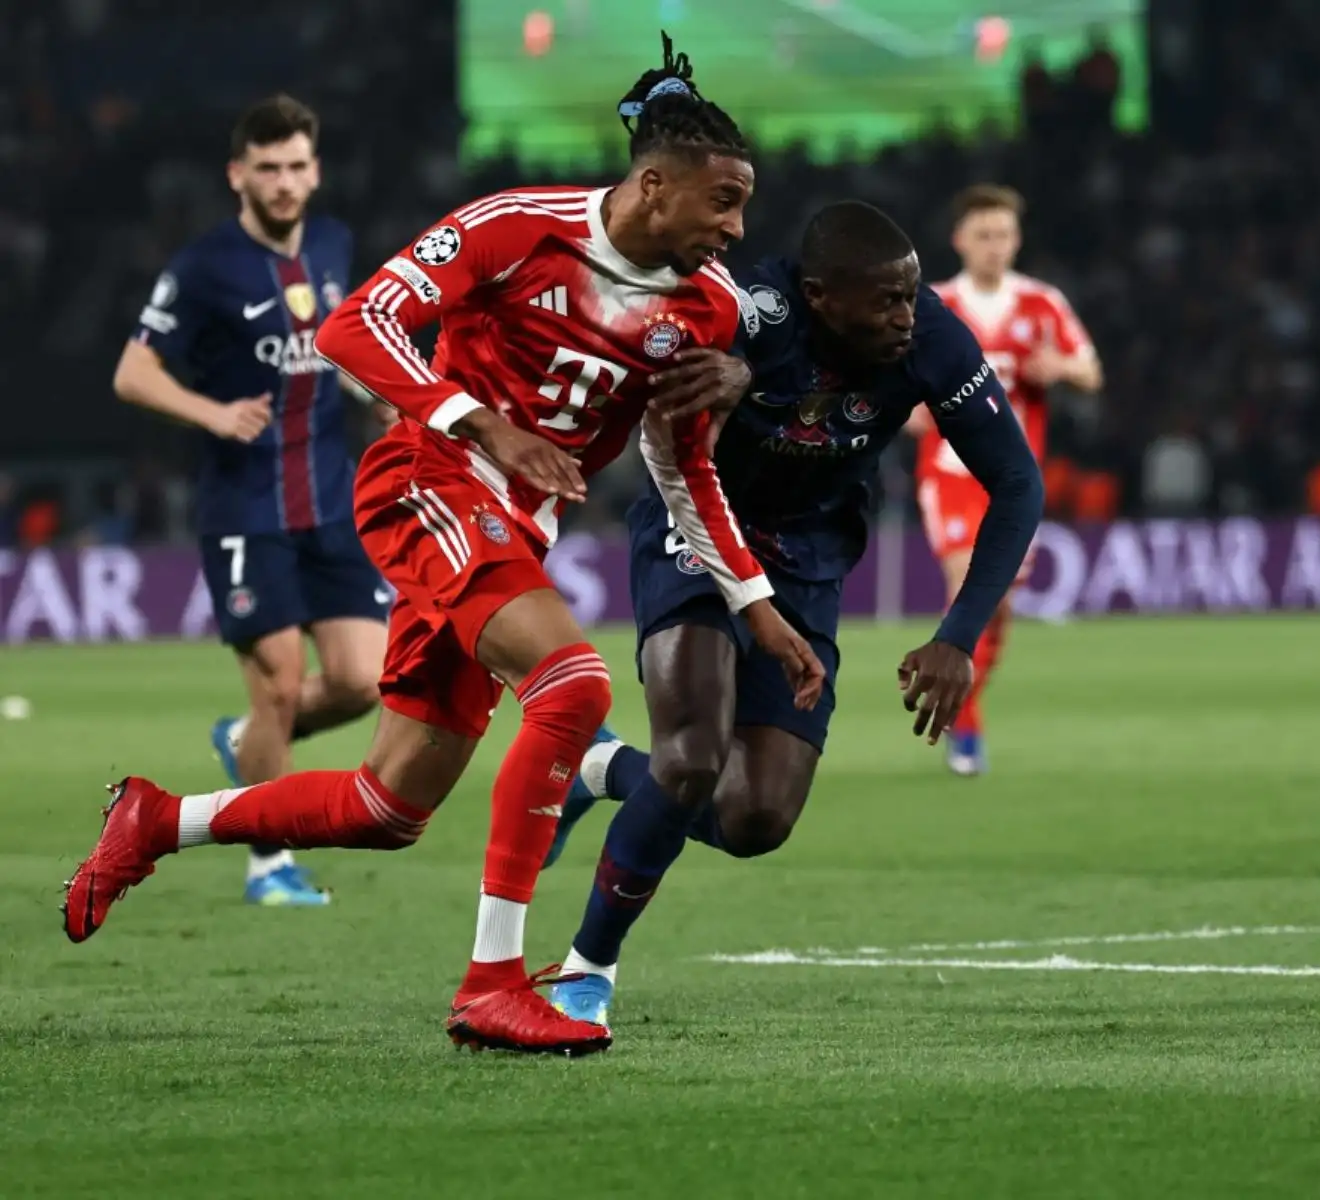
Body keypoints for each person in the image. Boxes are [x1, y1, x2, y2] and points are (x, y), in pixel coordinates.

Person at [62, 38, 824, 1058]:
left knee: (387, 806)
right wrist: (484, 424)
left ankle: (157, 821)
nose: (735, 230)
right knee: (572, 686)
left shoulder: (710, 309)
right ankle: (493, 985)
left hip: (511, 535)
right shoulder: (516, 228)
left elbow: (684, 468)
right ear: (654, 184)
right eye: (722, 203)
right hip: (427, 480)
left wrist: (756, 607)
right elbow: (354, 327)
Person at [539, 200, 1045, 1035]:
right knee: (693, 756)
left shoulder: (933, 338)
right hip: (700, 526)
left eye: (911, 296)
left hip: (808, 555)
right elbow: (661, 388)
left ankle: (600, 769)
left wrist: (959, 635)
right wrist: (739, 373)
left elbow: (1018, 484)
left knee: (755, 819)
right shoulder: (747, 308)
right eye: (884, 301)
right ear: (819, 296)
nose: (904, 317)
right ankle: (589, 967)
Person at [115, 95, 390, 906]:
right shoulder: (202, 266)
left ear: (316, 170)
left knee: (363, 681)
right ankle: (268, 859)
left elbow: (340, 345)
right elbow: (133, 373)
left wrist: (374, 392)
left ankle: (246, 746)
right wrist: (213, 413)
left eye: (297, 166)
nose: (284, 182)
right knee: (276, 684)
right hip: (245, 509)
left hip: (332, 500)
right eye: (267, 168)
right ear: (238, 175)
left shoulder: (336, 245)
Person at [907, 184, 1102, 775]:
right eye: (984, 235)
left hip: (1012, 479)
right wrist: (909, 407)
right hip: (950, 473)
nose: (996, 246)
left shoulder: (1042, 304)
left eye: (1004, 235)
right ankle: (964, 730)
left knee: (998, 609)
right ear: (959, 240)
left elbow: (1091, 371)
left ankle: (961, 703)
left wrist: (1060, 367)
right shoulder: (933, 305)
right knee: (969, 585)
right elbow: (890, 376)